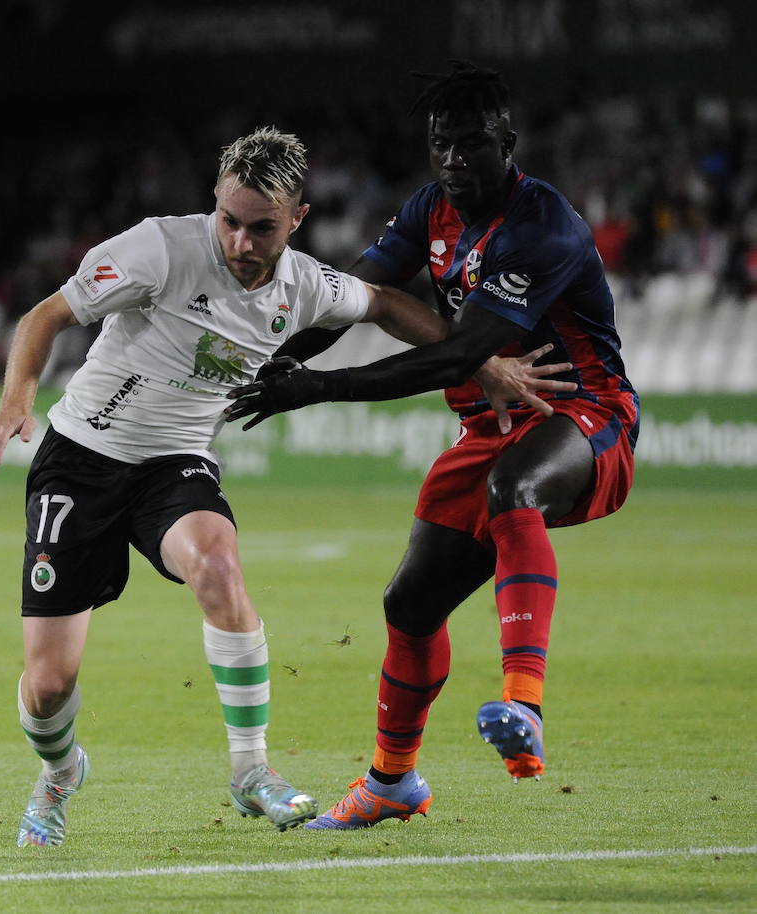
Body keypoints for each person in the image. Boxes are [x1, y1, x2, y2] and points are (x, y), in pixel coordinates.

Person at [0, 126, 562, 847]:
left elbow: (382, 303)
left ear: (297, 220)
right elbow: (47, 315)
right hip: (82, 459)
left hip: (175, 464)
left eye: (261, 228)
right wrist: (16, 400)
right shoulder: (158, 248)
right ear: (213, 205)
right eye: (228, 220)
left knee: (217, 561)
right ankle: (61, 770)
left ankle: (251, 770)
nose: (240, 243)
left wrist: (480, 363)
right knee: (48, 687)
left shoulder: (306, 284)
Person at [224, 63, 638, 829]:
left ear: (507, 143)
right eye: (441, 144)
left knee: (514, 489)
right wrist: (271, 359)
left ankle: (524, 704)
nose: (453, 160)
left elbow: (457, 356)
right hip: (490, 429)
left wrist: (320, 390)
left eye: (471, 144)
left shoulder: (540, 223)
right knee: (409, 605)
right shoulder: (429, 209)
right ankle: (391, 783)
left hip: (583, 411)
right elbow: (350, 297)